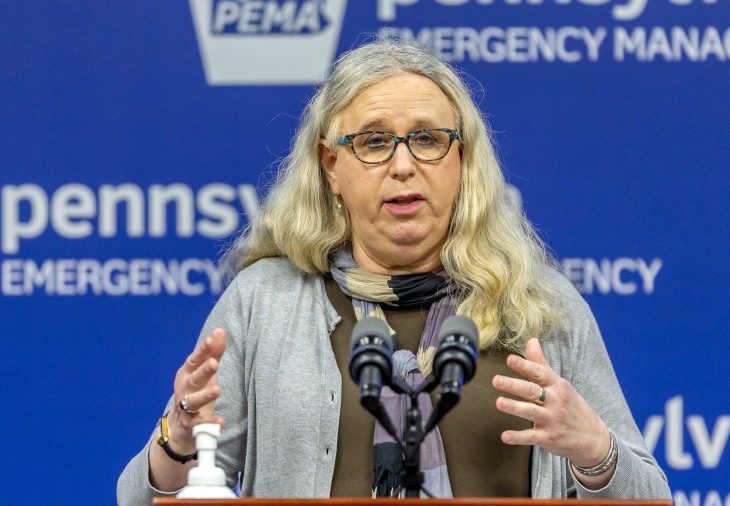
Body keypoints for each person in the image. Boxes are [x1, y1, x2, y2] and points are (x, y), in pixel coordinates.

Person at [117, 38, 671, 503]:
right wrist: (181, 440)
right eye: (374, 142)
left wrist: (597, 454)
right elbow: (140, 498)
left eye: (427, 139)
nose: (403, 165)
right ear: (331, 165)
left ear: (462, 162)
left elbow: (652, 496)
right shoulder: (266, 301)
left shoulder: (536, 307)